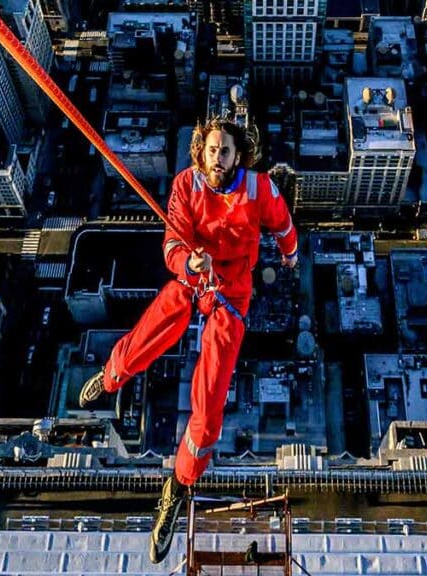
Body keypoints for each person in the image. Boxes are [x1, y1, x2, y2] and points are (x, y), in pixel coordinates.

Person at [78, 117, 298, 563]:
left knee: (210, 403)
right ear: (203, 152)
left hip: (231, 294)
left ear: (239, 157)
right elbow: (173, 240)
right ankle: (113, 374)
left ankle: (177, 488)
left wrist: (291, 254)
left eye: (227, 152)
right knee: (156, 325)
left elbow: (283, 223)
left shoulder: (258, 191)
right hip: (195, 278)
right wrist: (187, 263)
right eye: (213, 150)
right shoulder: (186, 184)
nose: (219, 158)